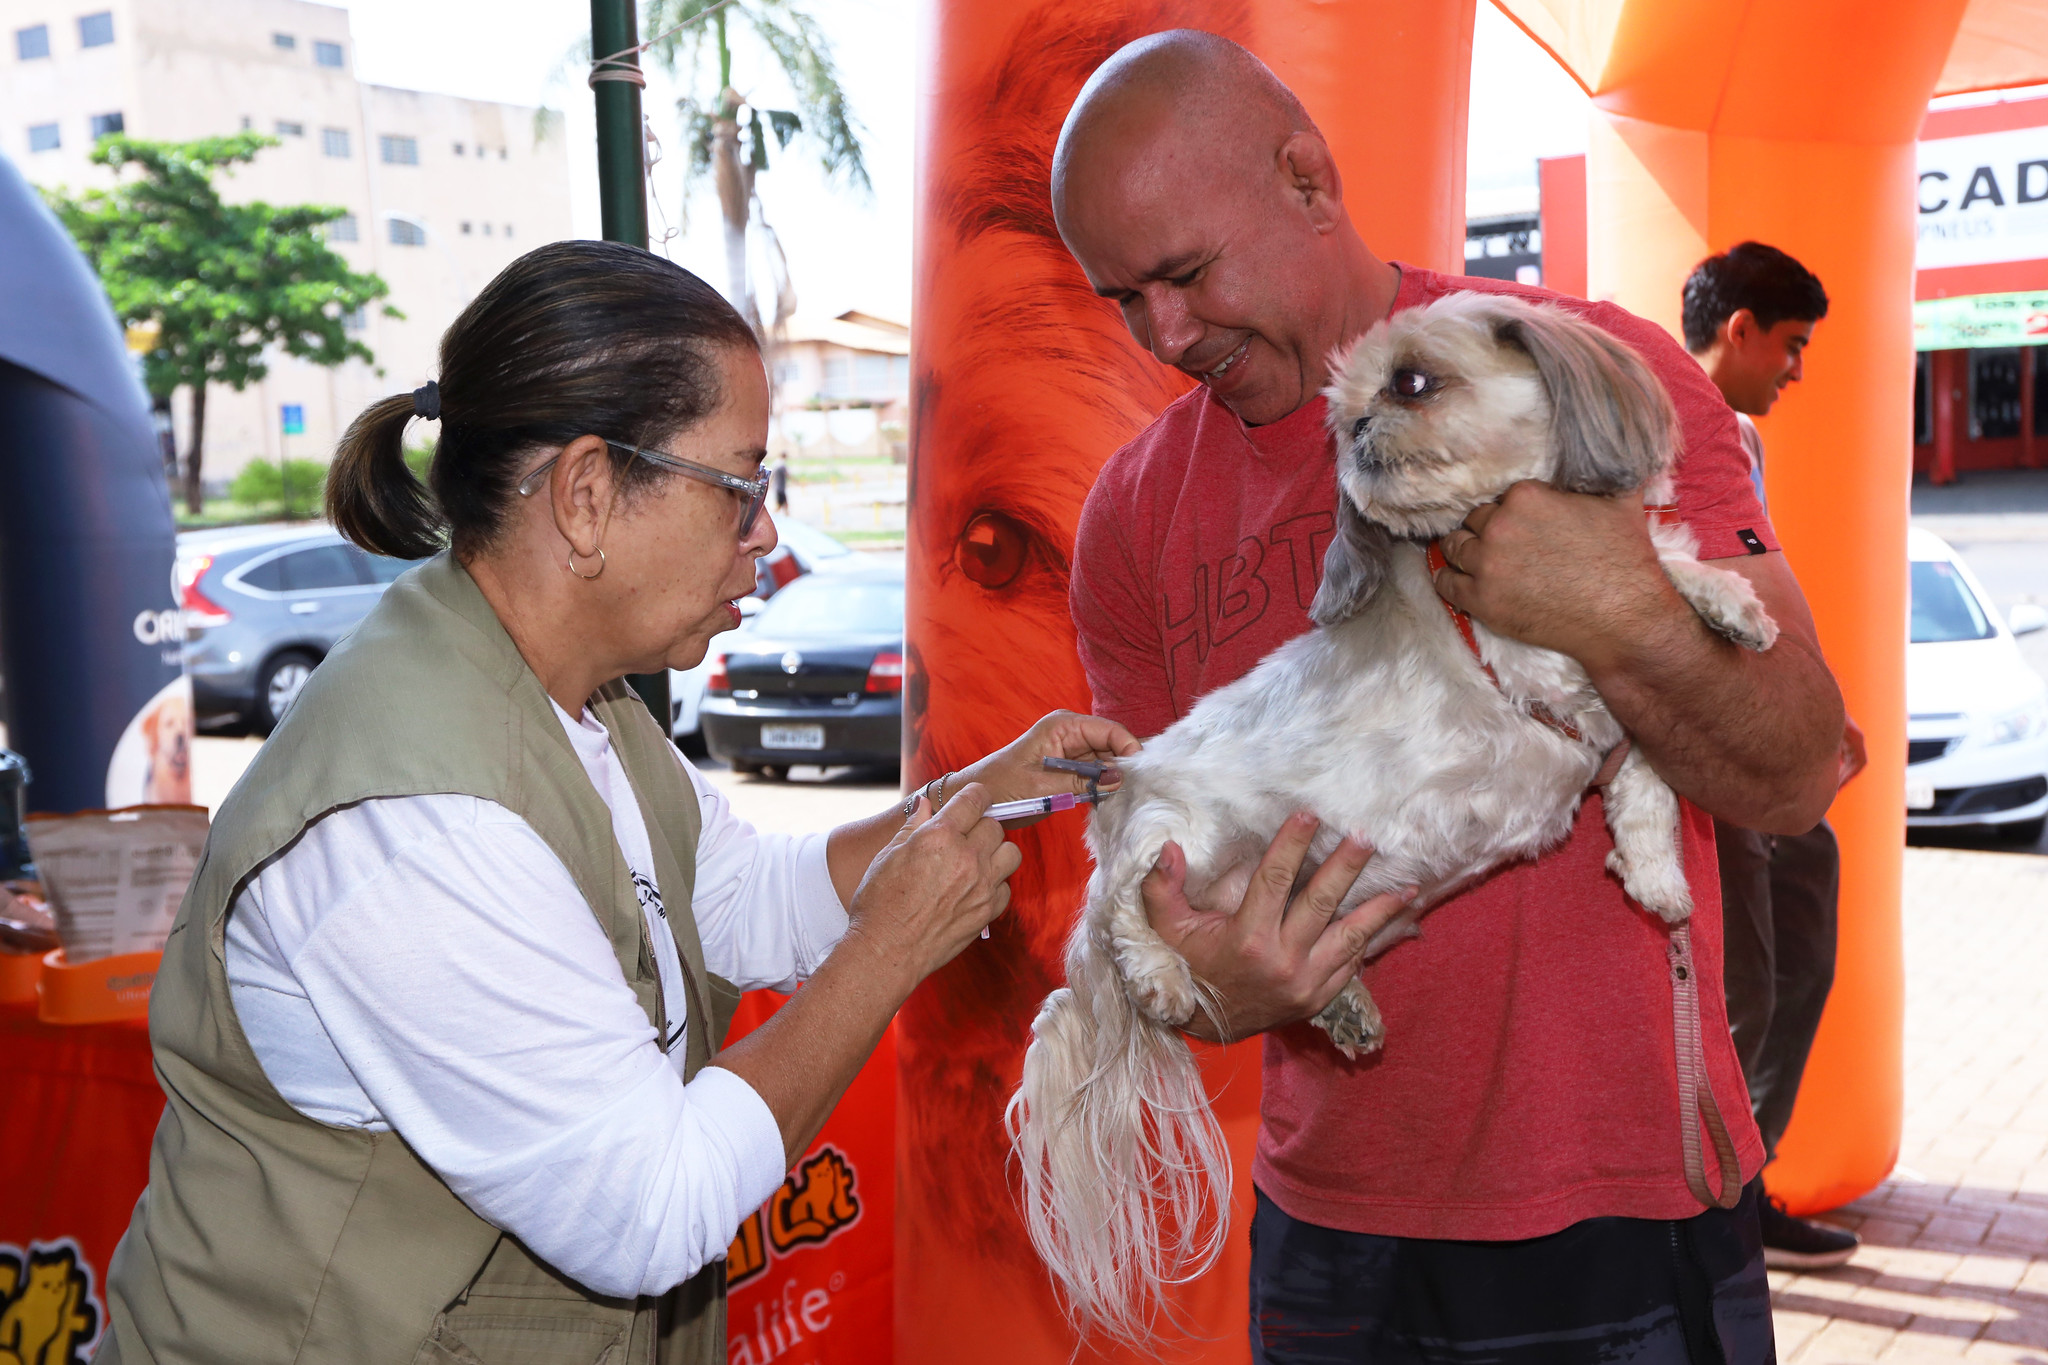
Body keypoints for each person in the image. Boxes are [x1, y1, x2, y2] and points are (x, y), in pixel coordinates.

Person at [98, 240, 1137, 1365]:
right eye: (741, 487)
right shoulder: (410, 824)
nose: (768, 533)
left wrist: (967, 796)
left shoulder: (576, 703)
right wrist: (888, 949)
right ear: (588, 494)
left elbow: (739, 899)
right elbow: (652, 1208)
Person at [1055, 32, 1845, 1363]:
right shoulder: (1130, 517)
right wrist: (1194, 977)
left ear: (1309, 178)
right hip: (1325, 1225)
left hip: (1615, 1208)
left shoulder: (1578, 371)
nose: (1167, 334)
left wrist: (1616, 602)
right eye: (1122, 298)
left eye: (1186, 274)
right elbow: (1158, 873)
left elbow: (1796, 767)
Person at [1684, 241, 1869, 1270]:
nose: (1796, 369)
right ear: (1738, 327)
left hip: (1764, 734)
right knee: (1743, 984)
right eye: (1790, 345)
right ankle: (1702, 1216)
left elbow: (1760, 581)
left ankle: (1741, 1182)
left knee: (1798, 943)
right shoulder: (1645, 425)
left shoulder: (1738, 438)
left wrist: (1816, 706)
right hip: (1701, 748)